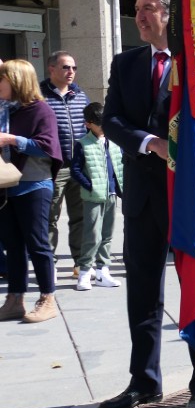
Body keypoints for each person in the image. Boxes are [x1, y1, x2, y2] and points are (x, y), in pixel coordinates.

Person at [100, 0, 195, 408]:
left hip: (185, 198)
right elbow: (110, 120)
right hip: (142, 198)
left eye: (149, 7)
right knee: (143, 295)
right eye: (137, 8)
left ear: (171, 13)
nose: (141, 16)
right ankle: (144, 382)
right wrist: (151, 142)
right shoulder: (126, 63)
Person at [0, 59, 63, 323]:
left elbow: (48, 147)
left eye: (1, 78)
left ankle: (47, 299)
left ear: (16, 81)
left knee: (38, 244)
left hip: (33, 185)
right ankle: (15, 299)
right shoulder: (5, 110)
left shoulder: (41, 110)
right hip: (6, 188)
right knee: (13, 246)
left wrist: (13, 140)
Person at [40, 51, 88, 277]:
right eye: (66, 67)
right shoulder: (39, 95)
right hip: (53, 168)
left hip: (78, 167)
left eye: (74, 68)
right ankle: (49, 262)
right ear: (51, 69)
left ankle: (79, 263)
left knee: (80, 217)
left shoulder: (80, 95)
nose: (71, 72)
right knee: (49, 217)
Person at [69, 102, 123, 290]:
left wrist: (121, 187)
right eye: (99, 123)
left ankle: (103, 271)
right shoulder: (83, 143)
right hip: (93, 196)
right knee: (92, 234)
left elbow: (120, 165)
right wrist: (89, 185)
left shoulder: (113, 141)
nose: (103, 127)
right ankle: (85, 271)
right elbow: (75, 169)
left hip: (110, 193)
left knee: (107, 234)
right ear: (88, 124)